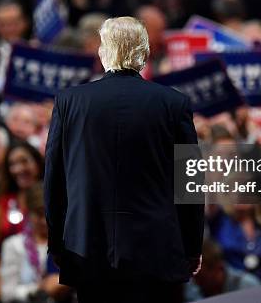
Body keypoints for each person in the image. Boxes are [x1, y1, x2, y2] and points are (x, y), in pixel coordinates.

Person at [44, 17, 204, 303]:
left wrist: (57, 243)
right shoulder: (173, 103)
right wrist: (192, 247)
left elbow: (54, 180)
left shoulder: (70, 101)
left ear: (104, 51)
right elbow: (190, 183)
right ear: (144, 53)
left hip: (87, 248)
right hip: (155, 251)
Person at [0, 183, 71, 303]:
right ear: (28, 212)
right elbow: (7, 293)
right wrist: (41, 288)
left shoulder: (67, 245)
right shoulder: (14, 245)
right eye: (39, 214)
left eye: (49, 214)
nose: (44, 220)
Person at [0, 142, 44, 276]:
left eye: (24, 161)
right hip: (8, 276)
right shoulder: (3, 201)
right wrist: (0, 277)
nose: (18, 169)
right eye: (12, 164)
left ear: (37, 163)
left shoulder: (52, 197)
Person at [185, 239, 260, 301]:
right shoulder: (193, 289)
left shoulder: (248, 287)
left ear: (219, 268)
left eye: (202, 278)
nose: (196, 282)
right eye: (194, 277)